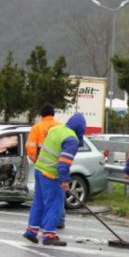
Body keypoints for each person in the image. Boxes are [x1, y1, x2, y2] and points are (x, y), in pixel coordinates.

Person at [22, 113, 87, 247]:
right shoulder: (71, 139)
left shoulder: (56, 129)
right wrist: (64, 180)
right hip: (51, 174)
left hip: (39, 169)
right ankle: (49, 235)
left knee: (39, 202)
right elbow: (63, 163)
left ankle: (31, 231)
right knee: (54, 204)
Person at [25, 104, 66, 229]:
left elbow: (31, 148)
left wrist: (37, 162)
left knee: (42, 196)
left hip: (42, 167)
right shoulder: (61, 126)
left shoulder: (37, 128)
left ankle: (43, 223)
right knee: (58, 196)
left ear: (41, 115)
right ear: (53, 114)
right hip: (58, 167)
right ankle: (59, 220)